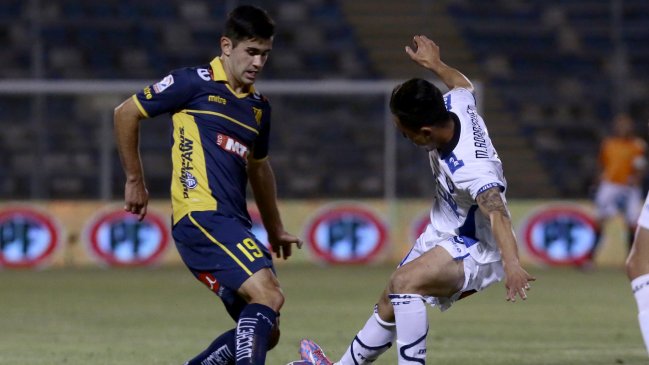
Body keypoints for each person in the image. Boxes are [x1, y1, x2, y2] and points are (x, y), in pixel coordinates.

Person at [297, 35, 535, 364]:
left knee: (404, 283)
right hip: (444, 232)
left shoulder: (472, 168)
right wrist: (436, 65)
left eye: (404, 131)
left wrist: (512, 264)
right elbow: (463, 84)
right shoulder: (456, 105)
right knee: (389, 301)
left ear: (425, 131)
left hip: (476, 246)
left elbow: (496, 211)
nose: (404, 137)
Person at [113, 5, 302, 365]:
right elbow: (126, 112)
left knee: (267, 328)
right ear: (226, 46)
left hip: (233, 222)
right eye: (251, 51)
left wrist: (275, 228)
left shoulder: (260, 108)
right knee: (270, 296)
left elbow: (259, 169)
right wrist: (135, 179)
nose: (258, 62)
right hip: (201, 214)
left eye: (265, 54)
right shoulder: (193, 83)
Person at [590, 114, 646, 265]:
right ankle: (590, 259)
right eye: (620, 125)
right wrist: (598, 179)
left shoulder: (637, 145)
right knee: (600, 220)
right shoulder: (608, 144)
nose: (622, 128)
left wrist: (637, 178)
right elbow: (601, 163)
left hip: (629, 187)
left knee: (633, 223)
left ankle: (631, 260)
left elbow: (640, 165)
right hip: (610, 185)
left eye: (626, 125)